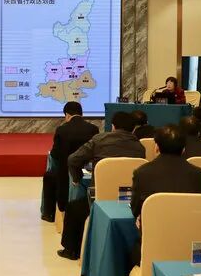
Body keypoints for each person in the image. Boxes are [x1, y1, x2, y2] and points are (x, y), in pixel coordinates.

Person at [57, 111, 145, 260]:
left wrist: (77, 178)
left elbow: (73, 159)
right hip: (129, 201)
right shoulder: (140, 147)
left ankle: (71, 251)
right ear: (133, 129)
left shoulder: (99, 140)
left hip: (99, 200)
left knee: (73, 208)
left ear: (113, 126)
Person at [130, 125, 201, 265]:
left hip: (153, 245)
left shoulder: (142, 172)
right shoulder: (198, 174)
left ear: (156, 147)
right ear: (184, 149)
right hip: (190, 247)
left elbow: (135, 210)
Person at [43, 101, 99, 222]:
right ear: (81, 114)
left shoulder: (61, 130)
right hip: (89, 171)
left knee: (49, 176)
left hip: (65, 174)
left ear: (67, 115)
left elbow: (55, 154)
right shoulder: (93, 129)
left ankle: (49, 214)